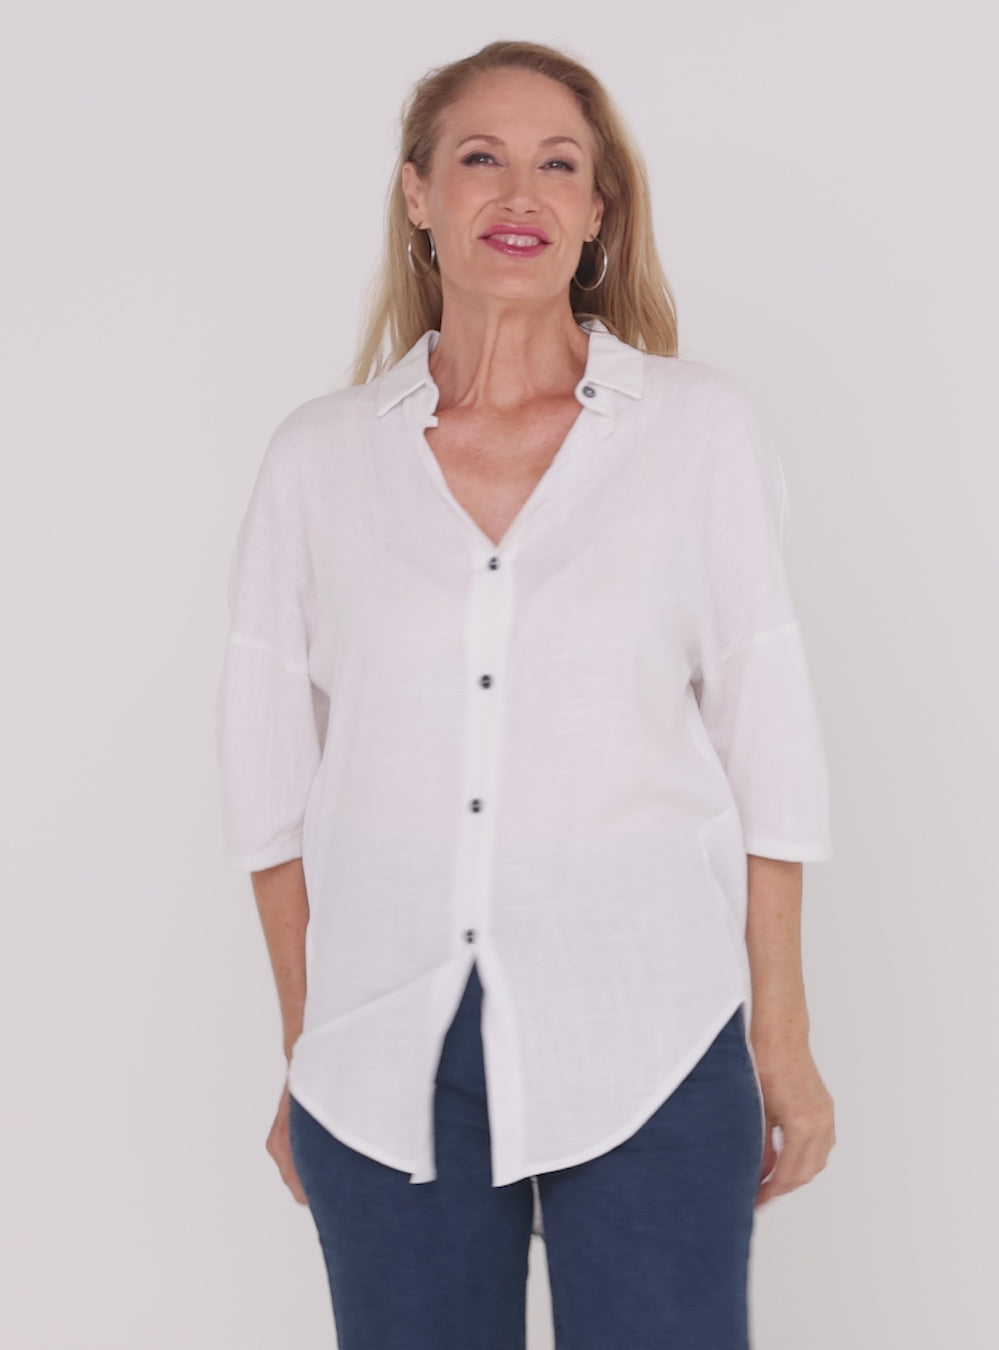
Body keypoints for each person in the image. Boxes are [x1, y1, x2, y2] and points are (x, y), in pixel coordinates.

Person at [216, 38, 835, 1350]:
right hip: (386, 1061)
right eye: (480, 157)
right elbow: (267, 790)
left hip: (652, 1026)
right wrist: (310, 1050)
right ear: (418, 192)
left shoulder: (697, 433)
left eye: (560, 165)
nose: (520, 192)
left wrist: (780, 1039)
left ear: (599, 210)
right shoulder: (319, 462)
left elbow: (770, 747)